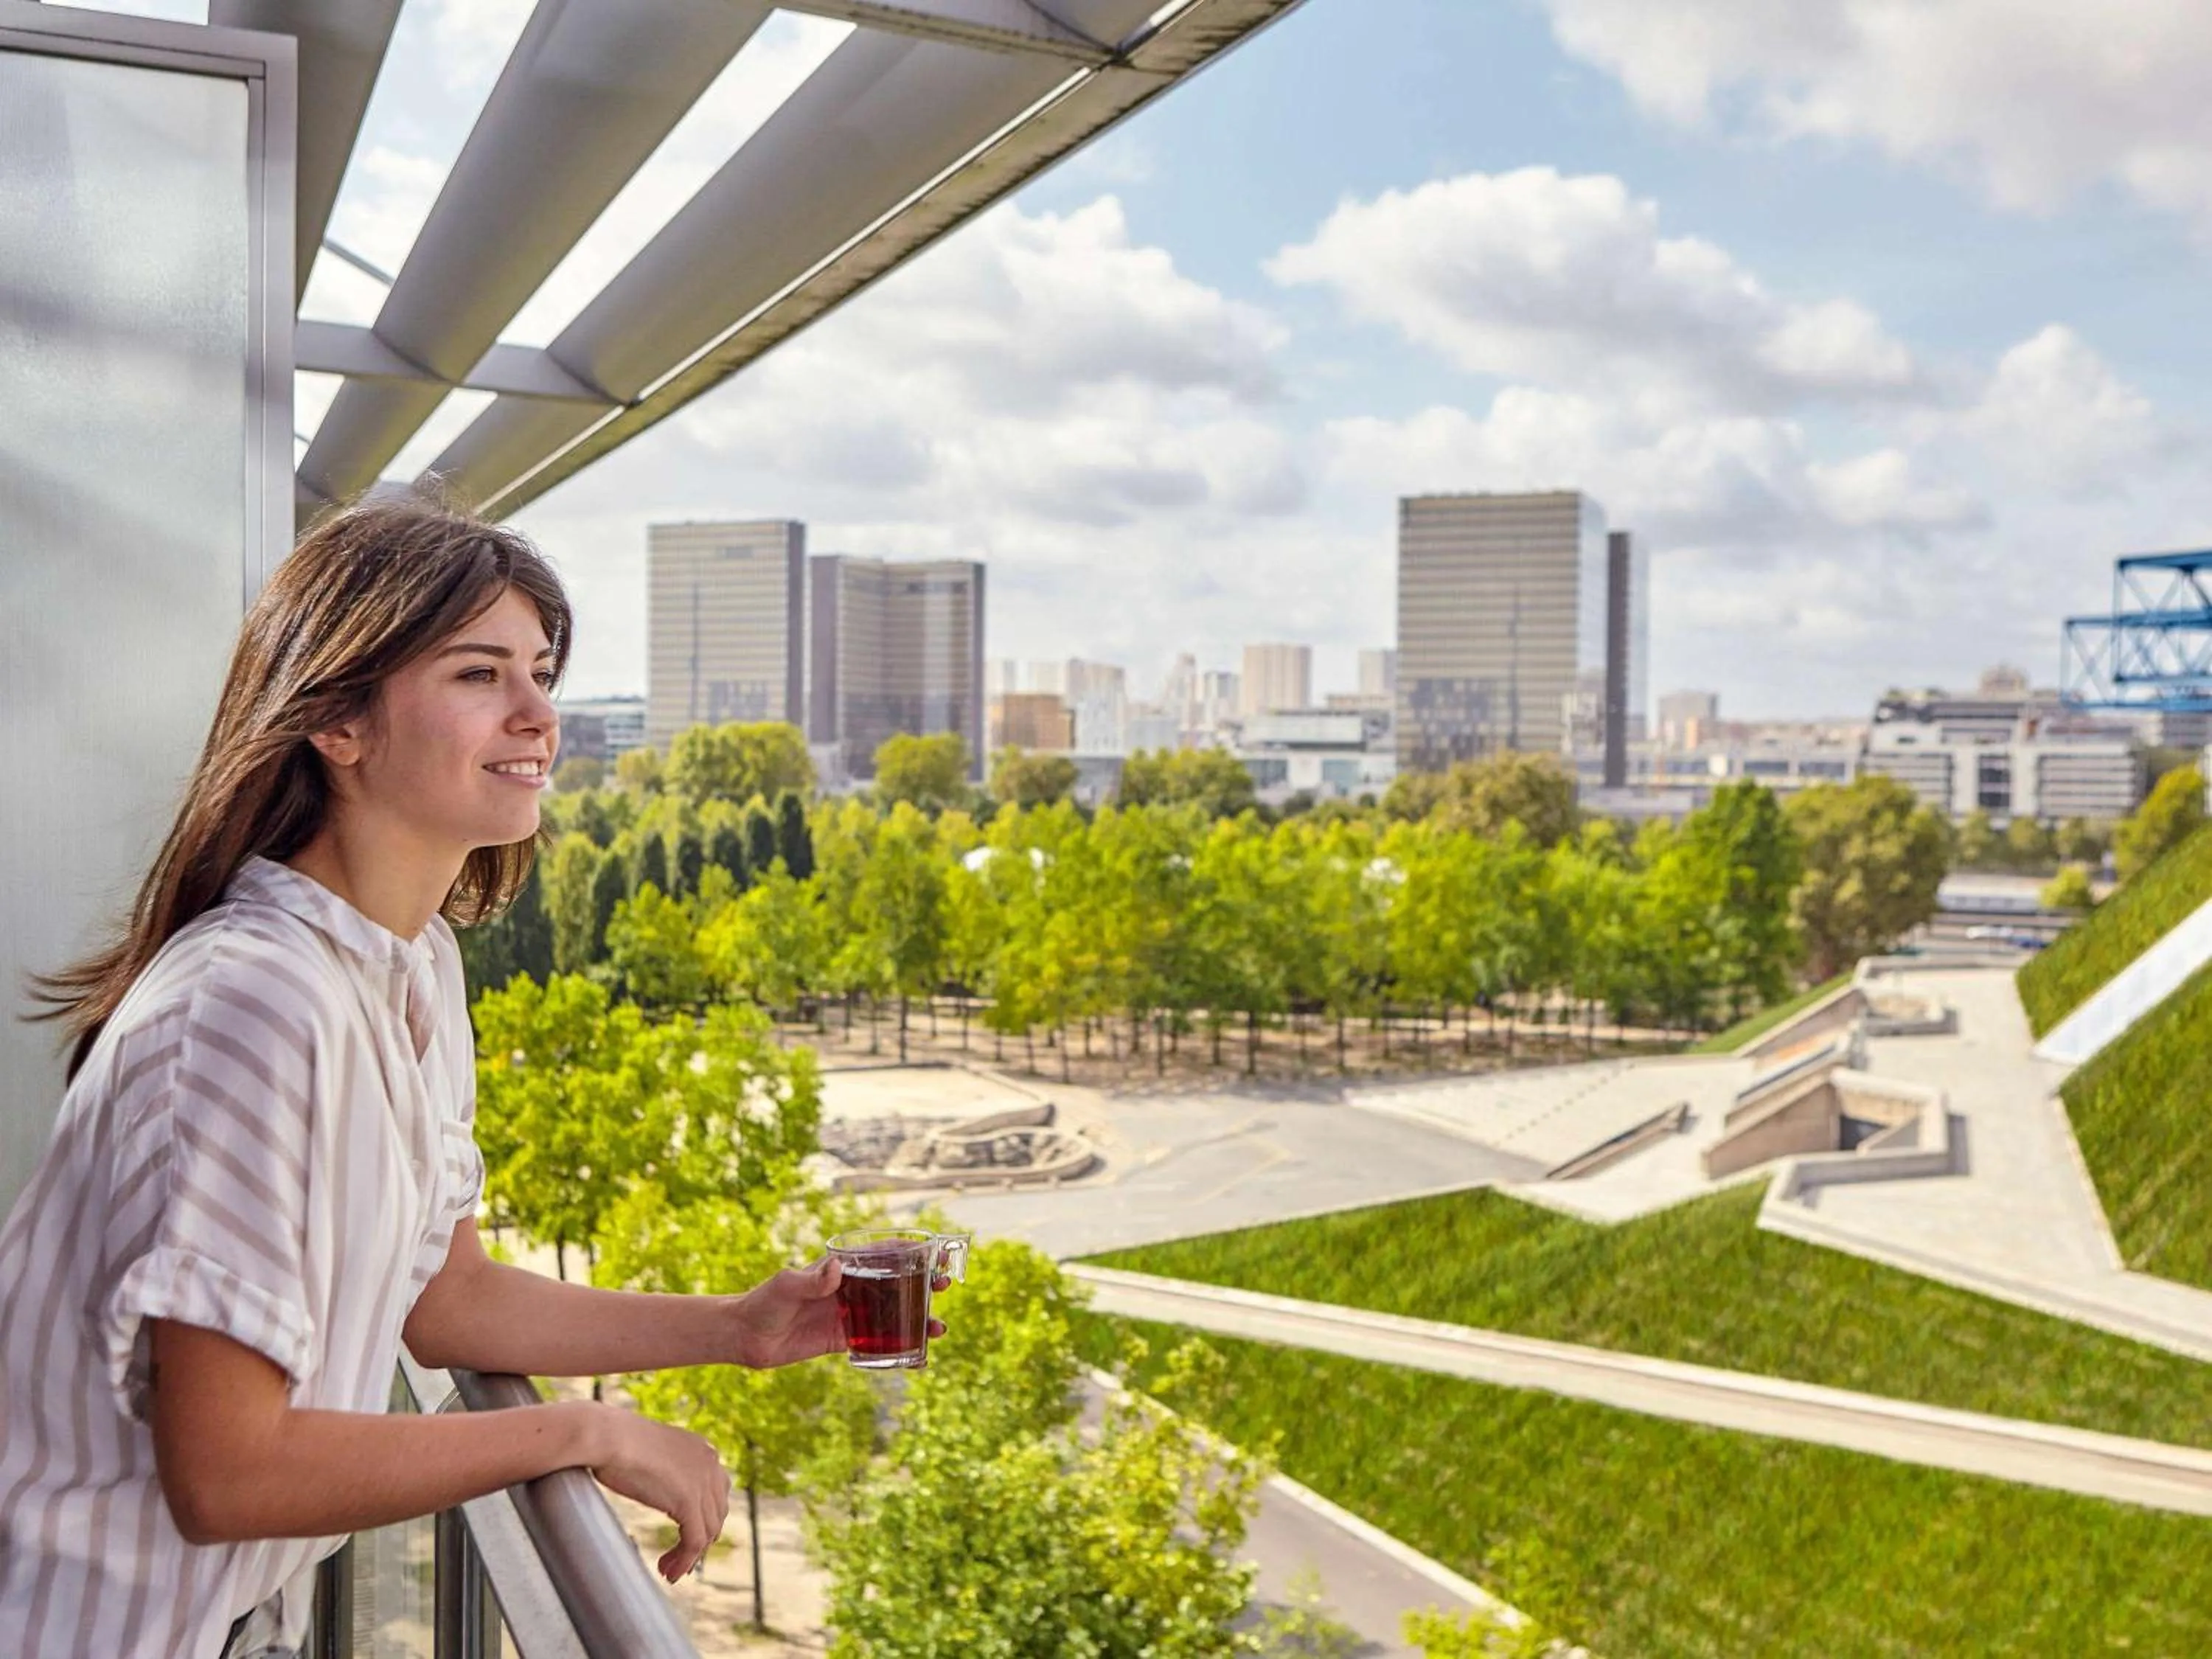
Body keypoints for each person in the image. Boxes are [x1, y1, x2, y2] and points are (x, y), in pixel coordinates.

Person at [0, 498, 917, 1658]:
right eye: (481, 674)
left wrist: (738, 1325)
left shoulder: (411, 967)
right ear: (335, 719)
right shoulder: (250, 1007)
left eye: (541, 670)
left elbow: (447, 1297)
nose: (541, 714)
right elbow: (228, 1472)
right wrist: (581, 1431)